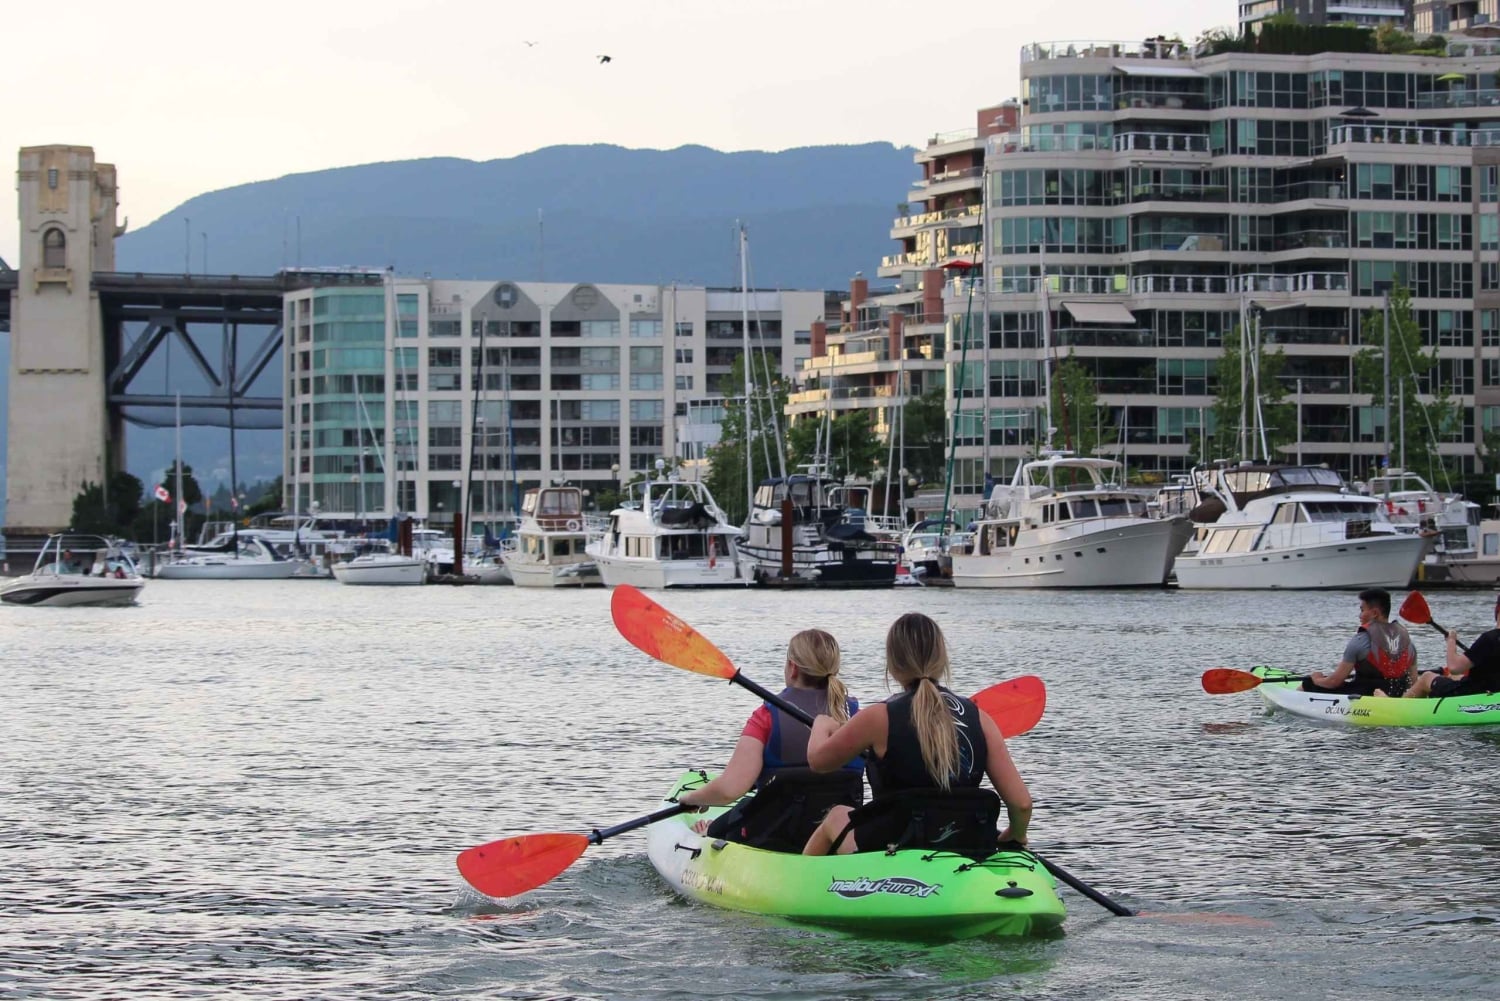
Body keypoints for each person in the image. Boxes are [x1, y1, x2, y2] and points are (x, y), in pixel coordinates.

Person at [802, 612, 1032, 856]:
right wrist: (1015, 835)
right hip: (962, 846)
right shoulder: (981, 719)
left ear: (892, 664)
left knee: (837, 815)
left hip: (891, 848)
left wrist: (821, 725)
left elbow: (818, 762)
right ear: (942, 660)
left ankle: (802, 884)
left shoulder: (878, 717)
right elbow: (1022, 804)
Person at [676, 629, 863, 851]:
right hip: (837, 835)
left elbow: (730, 789)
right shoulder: (857, 717)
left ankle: (708, 832)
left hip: (774, 836)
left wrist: (694, 798)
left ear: (792, 668)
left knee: (724, 823)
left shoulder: (766, 717)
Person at [1302, 588, 1417, 697]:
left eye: (1362, 610)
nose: (1359, 615)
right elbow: (1413, 683)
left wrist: (1317, 679)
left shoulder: (1361, 640)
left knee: (1308, 683)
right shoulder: (1408, 642)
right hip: (1396, 696)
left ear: (1375, 613)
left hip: (1365, 697)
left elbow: (1334, 682)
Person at [1404, 594, 1500, 698]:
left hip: (1475, 693)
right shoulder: (1490, 640)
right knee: (1453, 677)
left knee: (1426, 677)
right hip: (1493, 689)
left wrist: (1451, 641)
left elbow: (1454, 667)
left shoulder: (1489, 638)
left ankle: (1399, 707)